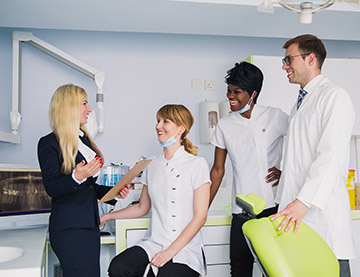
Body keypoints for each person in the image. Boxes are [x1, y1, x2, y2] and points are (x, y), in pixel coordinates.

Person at [271, 34, 356, 277]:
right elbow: (302, 156)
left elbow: (332, 156)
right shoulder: (300, 103)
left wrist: (304, 201)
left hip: (320, 215)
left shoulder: (334, 97)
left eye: (289, 59)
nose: (284, 66)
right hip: (298, 215)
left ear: (310, 59)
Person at [100, 104, 210, 277]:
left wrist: (170, 252)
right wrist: (107, 216)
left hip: (185, 249)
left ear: (181, 128)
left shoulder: (197, 164)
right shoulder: (151, 165)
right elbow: (142, 207)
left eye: (165, 121)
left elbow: (200, 217)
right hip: (155, 243)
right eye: (158, 121)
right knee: (119, 267)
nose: (158, 126)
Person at [37, 84, 129, 277]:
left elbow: (89, 188)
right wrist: (76, 176)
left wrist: (114, 192)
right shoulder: (48, 143)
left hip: (89, 227)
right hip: (70, 231)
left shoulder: (83, 140)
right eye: (85, 103)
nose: (89, 110)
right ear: (68, 107)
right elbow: (52, 187)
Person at [209, 61, 289, 276]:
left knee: (274, 270)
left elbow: (302, 145)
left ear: (253, 93)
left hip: (272, 209)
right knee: (239, 269)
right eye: (229, 91)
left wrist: (287, 172)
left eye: (237, 92)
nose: (230, 96)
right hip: (241, 211)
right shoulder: (225, 125)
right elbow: (217, 170)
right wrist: (202, 209)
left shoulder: (275, 116)